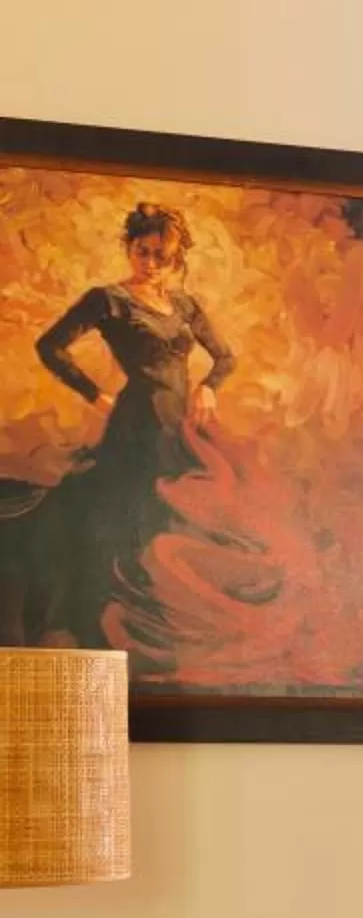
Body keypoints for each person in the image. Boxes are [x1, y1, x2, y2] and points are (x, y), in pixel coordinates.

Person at [0, 200, 259, 651]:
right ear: (129, 248)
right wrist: (93, 394)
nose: (152, 264)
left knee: (181, 522)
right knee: (129, 519)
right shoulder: (109, 300)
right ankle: (101, 626)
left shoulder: (184, 304)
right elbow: (50, 346)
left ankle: (161, 632)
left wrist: (209, 387)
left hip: (181, 426)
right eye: (143, 252)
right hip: (135, 424)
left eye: (163, 256)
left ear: (177, 259)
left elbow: (226, 356)